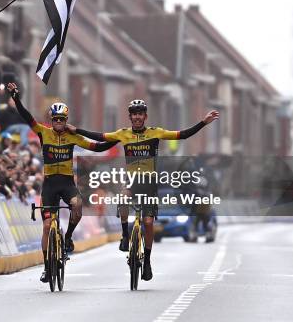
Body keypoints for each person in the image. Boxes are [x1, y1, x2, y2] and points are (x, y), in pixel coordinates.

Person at [67, 99, 219, 281]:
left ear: (145, 116)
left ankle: (146, 262)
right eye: (134, 114)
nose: (137, 117)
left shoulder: (156, 132)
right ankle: (125, 236)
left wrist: (203, 123)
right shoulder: (123, 134)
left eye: (140, 114)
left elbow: (183, 135)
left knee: (147, 223)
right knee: (122, 199)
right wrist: (77, 130)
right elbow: (100, 137)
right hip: (132, 181)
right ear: (130, 117)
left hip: (149, 183)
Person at [6, 82, 116, 284]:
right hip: (49, 184)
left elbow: (97, 147)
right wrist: (16, 98)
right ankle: (48, 268)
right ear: (51, 119)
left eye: (62, 119)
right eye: (55, 119)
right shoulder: (42, 132)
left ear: (66, 120)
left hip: (66, 183)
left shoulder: (72, 136)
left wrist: (117, 139)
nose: (58, 122)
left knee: (77, 205)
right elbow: (27, 116)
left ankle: (68, 237)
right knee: (47, 225)